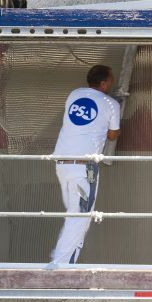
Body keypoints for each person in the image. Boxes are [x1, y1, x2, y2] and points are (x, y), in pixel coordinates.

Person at [49, 65, 122, 264]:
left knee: (75, 214)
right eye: (111, 81)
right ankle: (60, 266)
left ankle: (66, 262)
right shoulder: (111, 103)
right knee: (80, 217)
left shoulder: (75, 94)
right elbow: (113, 134)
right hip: (85, 166)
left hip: (62, 162)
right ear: (104, 83)